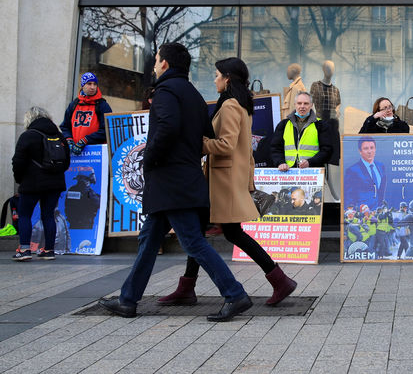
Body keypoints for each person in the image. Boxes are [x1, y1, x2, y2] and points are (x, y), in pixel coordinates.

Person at [98, 42, 252, 322]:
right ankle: (128, 300)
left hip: (170, 182)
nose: (155, 65)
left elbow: (167, 128)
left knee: (193, 242)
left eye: (157, 60)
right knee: (148, 239)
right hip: (183, 179)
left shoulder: (167, 91)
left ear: (165, 64)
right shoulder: (193, 95)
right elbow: (204, 133)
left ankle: (235, 293)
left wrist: (149, 159)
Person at [157, 58, 296, 308]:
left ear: (228, 78)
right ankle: (187, 287)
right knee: (202, 232)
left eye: (217, 75)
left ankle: (279, 280)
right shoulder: (239, 104)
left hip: (223, 182)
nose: (215, 79)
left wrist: (196, 143)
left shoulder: (231, 106)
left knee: (221, 233)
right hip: (224, 180)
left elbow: (226, 144)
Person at [11, 106, 70, 261]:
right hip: (55, 184)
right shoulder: (59, 136)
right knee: (48, 215)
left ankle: (24, 250)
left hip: (31, 184)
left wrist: (19, 179)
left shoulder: (28, 136)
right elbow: (66, 162)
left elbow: (17, 161)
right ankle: (49, 250)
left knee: (25, 215)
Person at [271, 91, 333, 171]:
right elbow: (275, 148)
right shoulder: (283, 125)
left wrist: (310, 162)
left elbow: (327, 150)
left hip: (312, 172)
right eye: (299, 103)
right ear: (295, 105)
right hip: (288, 172)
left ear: (311, 105)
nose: (302, 106)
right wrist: (280, 162)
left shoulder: (321, 125)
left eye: (306, 103)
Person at [59, 72, 113, 154]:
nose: (92, 87)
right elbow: (65, 126)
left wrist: (86, 140)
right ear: (82, 85)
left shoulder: (103, 105)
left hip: (96, 153)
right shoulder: (74, 104)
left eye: (95, 84)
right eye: (89, 84)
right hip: (74, 153)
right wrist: (69, 139)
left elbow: (107, 130)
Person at [344, 136, 387, 212]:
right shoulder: (352, 171)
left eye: (372, 148)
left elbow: (381, 191)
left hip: (378, 213)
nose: (369, 151)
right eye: (366, 148)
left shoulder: (381, 166)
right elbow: (348, 197)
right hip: (362, 215)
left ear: (375, 149)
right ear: (360, 151)